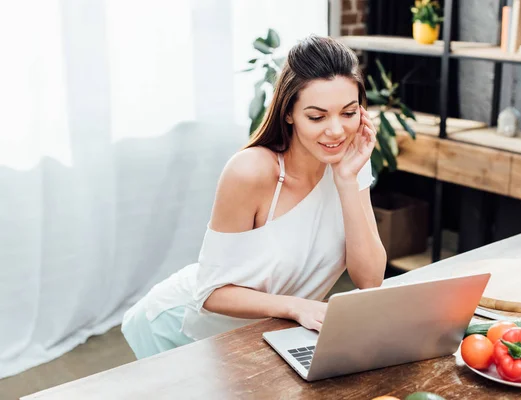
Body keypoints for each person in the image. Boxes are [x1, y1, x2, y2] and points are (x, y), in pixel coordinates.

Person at [121, 35, 387, 359]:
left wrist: (346, 181)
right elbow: (211, 291)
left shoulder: (349, 159)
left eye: (348, 113)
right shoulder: (251, 171)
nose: (336, 131)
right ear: (288, 113)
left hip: (260, 335)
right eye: (317, 117)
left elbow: (370, 278)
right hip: (180, 327)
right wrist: (296, 307)